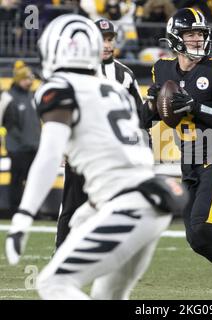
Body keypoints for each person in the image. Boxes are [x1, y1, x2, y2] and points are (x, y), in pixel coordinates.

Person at [4, 14, 187, 300]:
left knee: (53, 284)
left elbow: (50, 153)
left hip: (126, 204)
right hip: (150, 195)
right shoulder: (116, 89)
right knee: (106, 292)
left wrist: (24, 215)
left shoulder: (59, 88)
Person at [140, 7, 212, 297]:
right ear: (176, 37)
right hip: (189, 162)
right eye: (190, 33)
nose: (196, 39)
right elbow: (149, 118)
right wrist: (152, 105)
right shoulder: (163, 70)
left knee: (204, 226)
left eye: (200, 33)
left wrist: (195, 105)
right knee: (196, 239)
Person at [55, 17, 144, 250]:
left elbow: (140, 115)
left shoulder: (124, 75)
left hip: (114, 154)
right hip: (82, 151)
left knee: (111, 207)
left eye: (109, 39)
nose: (106, 45)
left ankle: (101, 257)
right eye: (100, 39)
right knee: (73, 206)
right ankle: (61, 255)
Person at [0, 60, 41, 215]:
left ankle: (31, 210)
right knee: (17, 181)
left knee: (33, 181)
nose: (29, 81)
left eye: (30, 78)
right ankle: (14, 210)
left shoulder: (32, 96)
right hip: (16, 147)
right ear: (18, 79)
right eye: (26, 79)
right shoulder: (8, 96)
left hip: (34, 145)